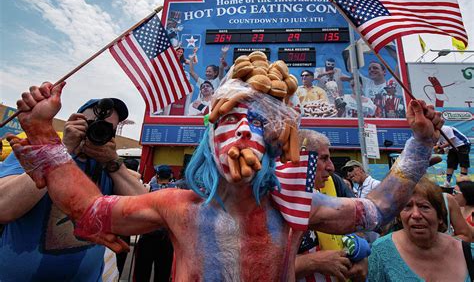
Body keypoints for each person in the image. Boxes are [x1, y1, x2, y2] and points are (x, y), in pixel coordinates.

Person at [8, 71, 443, 280]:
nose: (241, 132)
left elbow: (377, 207)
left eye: (256, 121)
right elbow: (93, 209)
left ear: (275, 142)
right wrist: (45, 134)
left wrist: (420, 144)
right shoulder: (180, 207)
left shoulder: (294, 208)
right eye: (229, 120)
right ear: (208, 142)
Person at [0, 97, 147, 281]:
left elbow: (144, 211)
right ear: (73, 122)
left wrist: (113, 163)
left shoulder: (107, 167)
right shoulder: (34, 151)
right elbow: (3, 207)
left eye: (108, 128)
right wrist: (62, 151)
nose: (98, 130)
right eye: (91, 124)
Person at [295, 129, 368, 282]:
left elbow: (356, 222)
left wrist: (359, 255)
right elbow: (257, 267)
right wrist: (313, 262)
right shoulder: (268, 198)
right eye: (324, 158)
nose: (331, 167)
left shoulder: (333, 182)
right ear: (299, 157)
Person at [368, 177, 473, 281]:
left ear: (440, 217)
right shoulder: (381, 252)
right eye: (407, 206)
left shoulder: (468, 252)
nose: (416, 215)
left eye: (424, 207)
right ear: (399, 215)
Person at [134, 165, 174, 282]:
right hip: (166, 239)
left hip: (147, 236)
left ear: (157, 175)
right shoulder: (176, 191)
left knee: (142, 272)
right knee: (163, 273)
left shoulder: (147, 188)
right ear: (170, 176)